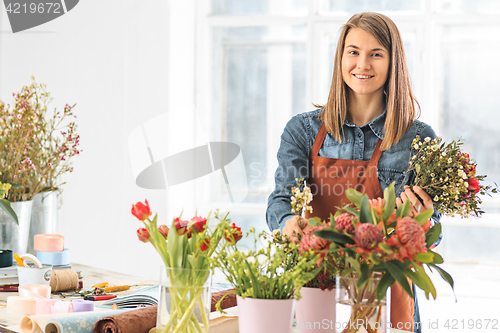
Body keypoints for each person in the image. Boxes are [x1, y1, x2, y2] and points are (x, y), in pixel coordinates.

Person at [266, 12, 441, 333]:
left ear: (393, 62)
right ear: (340, 57)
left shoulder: (418, 138)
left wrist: (425, 219)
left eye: (376, 54)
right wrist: (290, 223)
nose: (363, 64)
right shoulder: (303, 130)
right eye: (353, 52)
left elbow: (435, 234)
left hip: (388, 293)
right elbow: (280, 201)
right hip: (318, 286)